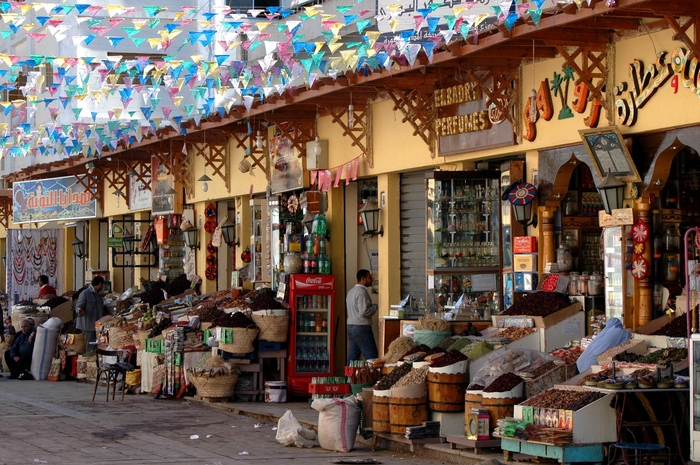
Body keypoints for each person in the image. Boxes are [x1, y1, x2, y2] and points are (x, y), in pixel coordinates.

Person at [346, 269, 378, 364]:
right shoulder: (361, 292)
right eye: (369, 277)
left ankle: (348, 377)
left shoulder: (351, 292)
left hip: (351, 327)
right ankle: (373, 377)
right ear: (363, 279)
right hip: (361, 328)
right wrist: (375, 307)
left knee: (353, 357)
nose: (371, 279)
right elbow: (364, 311)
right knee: (372, 357)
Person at [75, 276, 105, 353]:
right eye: (102, 284)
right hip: (88, 326)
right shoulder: (85, 294)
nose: (103, 286)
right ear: (100, 284)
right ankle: (89, 363)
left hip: (97, 326)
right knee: (90, 348)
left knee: (97, 346)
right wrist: (79, 311)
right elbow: (78, 307)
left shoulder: (99, 295)